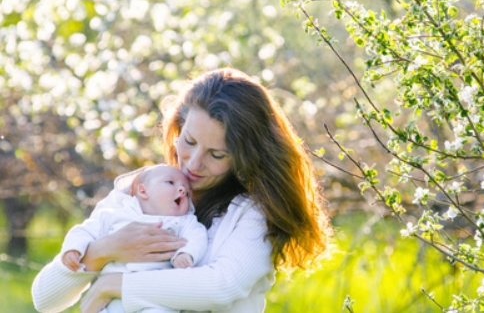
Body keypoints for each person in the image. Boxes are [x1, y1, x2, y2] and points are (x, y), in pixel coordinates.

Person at [32, 67, 332, 313]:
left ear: (244, 156)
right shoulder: (139, 192)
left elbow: (222, 286)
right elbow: (45, 299)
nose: (194, 163)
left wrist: (112, 285)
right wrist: (103, 250)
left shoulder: (251, 213)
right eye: (188, 141)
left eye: (216, 155)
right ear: (177, 127)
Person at [60, 164, 208, 313]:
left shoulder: (184, 221)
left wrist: (186, 253)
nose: (182, 190)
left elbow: (198, 236)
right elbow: (85, 230)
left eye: (188, 193)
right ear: (143, 191)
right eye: (170, 182)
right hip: (112, 298)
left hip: (154, 298)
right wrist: (73, 248)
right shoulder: (116, 213)